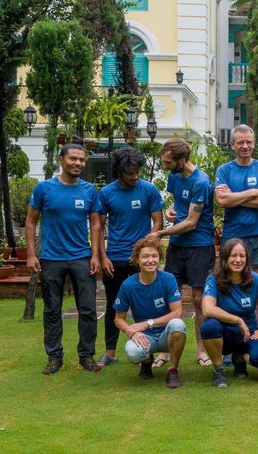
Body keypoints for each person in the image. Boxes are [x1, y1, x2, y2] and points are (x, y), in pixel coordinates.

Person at [26, 143, 102, 375]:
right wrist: (31, 254)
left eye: (82, 160)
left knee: (88, 309)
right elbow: (31, 222)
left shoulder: (89, 190)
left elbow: (96, 223)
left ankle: (86, 356)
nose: (78, 163)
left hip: (82, 257)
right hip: (51, 258)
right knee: (52, 310)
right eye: (73, 159)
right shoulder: (43, 189)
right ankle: (54, 357)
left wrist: (96, 255)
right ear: (62, 160)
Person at [146, 138, 215, 368]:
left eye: (167, 162)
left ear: (182, 160)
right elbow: (176, 206)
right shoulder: (174, 177)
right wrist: (171, 211)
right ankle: (164, 349)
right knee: (169, 297)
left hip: (199, 245)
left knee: (198, 299)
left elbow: (192, 222)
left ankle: (202, 349)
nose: (164, 166)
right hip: (178, 246)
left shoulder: (202, 182)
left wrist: (160, 233)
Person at [97, 147, 164, 367]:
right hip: (115, 258)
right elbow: (99, 226)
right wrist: (102, 256)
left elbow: (157, 221)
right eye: (130, 173)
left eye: (137, 172)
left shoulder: (149, 190)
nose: (135, 176)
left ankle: (153, 349)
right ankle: (110, 352)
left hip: (142, 260)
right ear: (119, 171)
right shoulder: (106, 193)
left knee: (148, 306)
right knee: (114, 306)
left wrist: (148, 246)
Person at [200, 239, 258, 387]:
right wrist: (238, 320)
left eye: (242, 256)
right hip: (223, 335)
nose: (238, 260)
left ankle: (240, 358)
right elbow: (207, 309)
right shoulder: (213, 279)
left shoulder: (256, 280)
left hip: (248, 334)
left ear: (247, 259)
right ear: (225, 258)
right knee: (209, 326)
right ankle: (219, 370)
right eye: (233, 256)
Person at [113, 237, 186, 388]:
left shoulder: (168, 279)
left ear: (160, 259)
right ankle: (146, 362)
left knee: (178, 324)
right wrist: (132, 332)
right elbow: (118, 319)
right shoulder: (128, 285)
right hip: (146, 338)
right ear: (137, 260)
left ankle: (173, 370)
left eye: (154, 256)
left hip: (166, 334)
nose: (150, 260)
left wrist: (147, 324)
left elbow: (177, 312)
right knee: (133, 352)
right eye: (145, 256)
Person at [214, 124, 258, 275]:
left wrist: (233, 196)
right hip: (231, 236)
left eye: (249, 142)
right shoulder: (224, 170)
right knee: (229, 285)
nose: (245, 146)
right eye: (240, 142)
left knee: (257, 285)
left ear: (254, 143)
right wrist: (254, 192)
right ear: (232, 145)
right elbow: (221, 201)